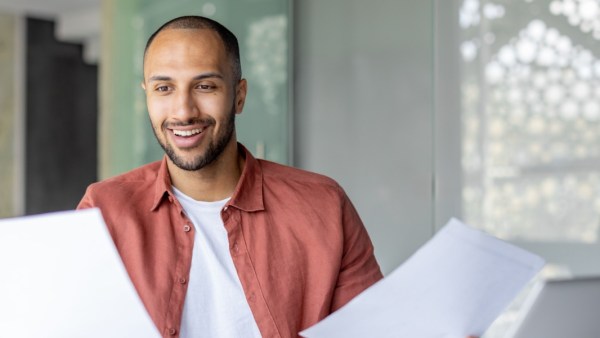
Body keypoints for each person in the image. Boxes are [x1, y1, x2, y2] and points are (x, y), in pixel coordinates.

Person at [78, 15, 383, 338]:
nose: (183, 111)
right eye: (164, 88)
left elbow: (374, 329)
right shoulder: (103, 211)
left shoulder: (323, 205)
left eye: (205, 86)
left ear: (239, 95)